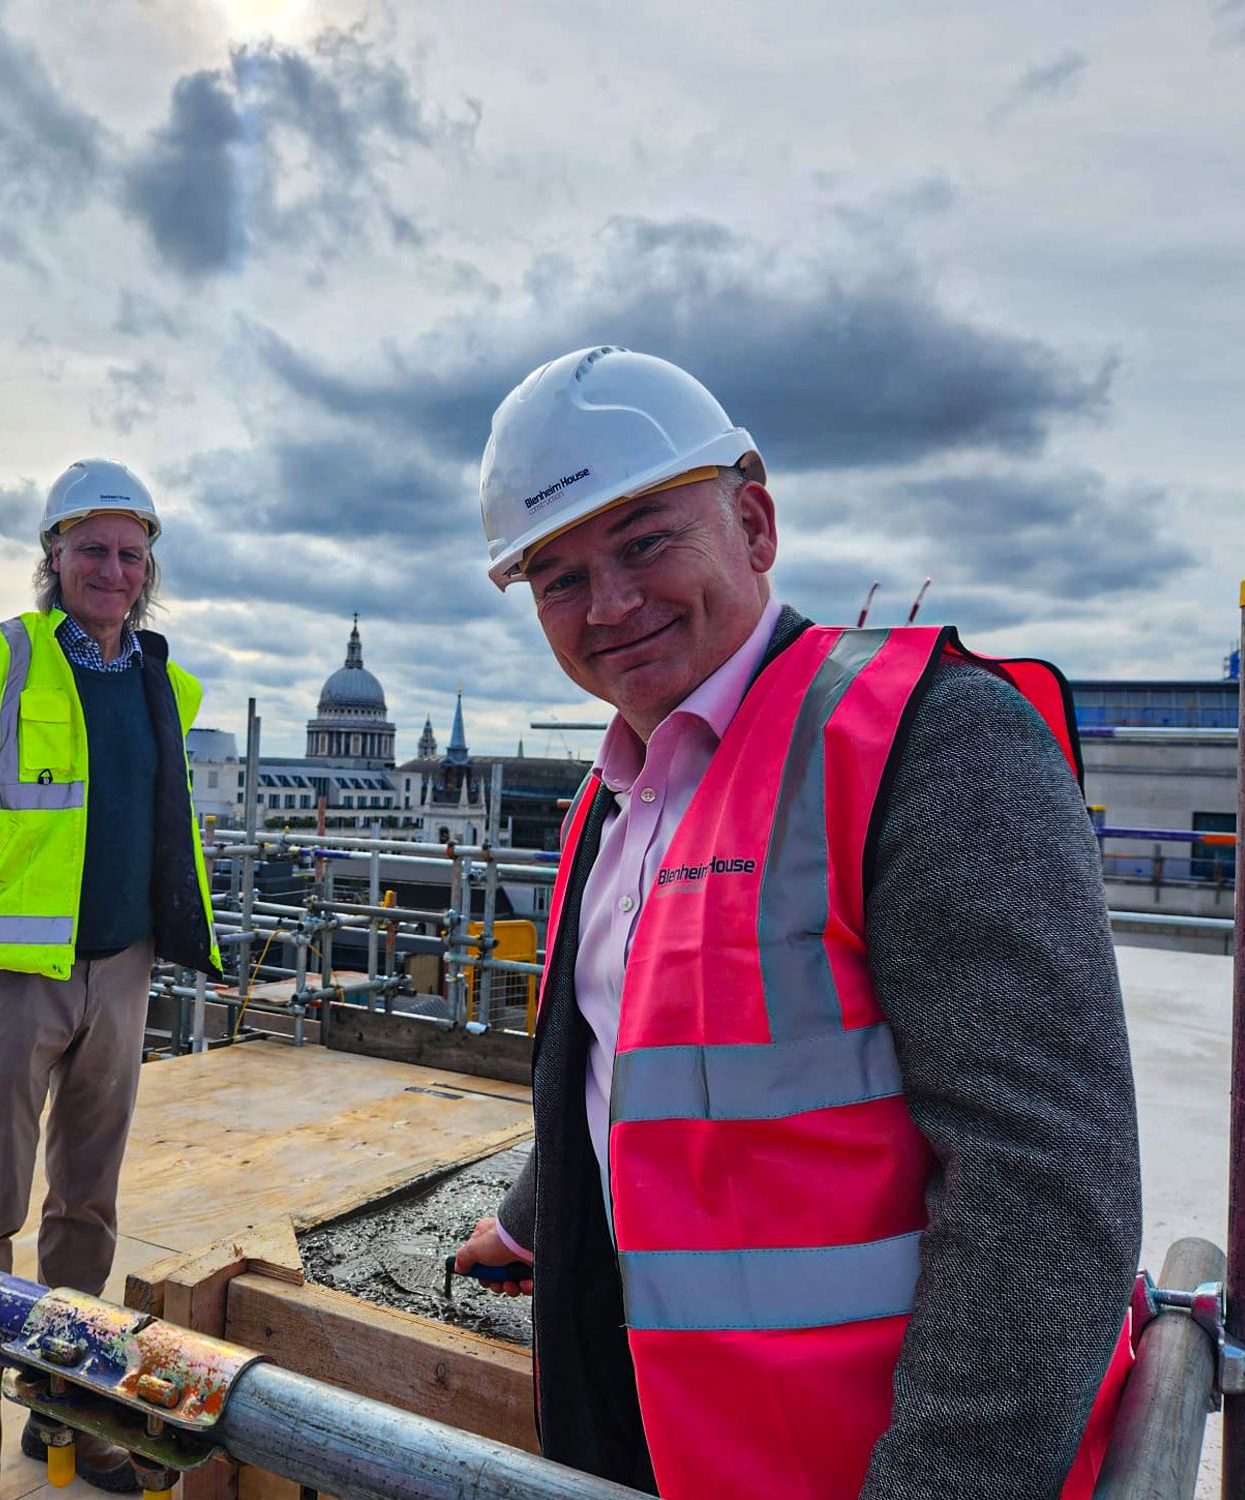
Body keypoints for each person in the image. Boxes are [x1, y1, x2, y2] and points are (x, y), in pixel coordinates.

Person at [453, 347, 1142, 1500]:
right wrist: (536, 1221)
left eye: (644, 542)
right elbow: (643, 1071)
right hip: (654, 1441)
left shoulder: (930, 747)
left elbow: (1047, 1191)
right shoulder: (611, 803)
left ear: (755, 525)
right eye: (558, 578)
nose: (609, 605)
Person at [0, 459, 222, 1499]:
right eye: (93, 550)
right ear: (53, 556)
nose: (113, 571)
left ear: (148, 568)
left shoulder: (163, 684)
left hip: (118, 975)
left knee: (87, 1206)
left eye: (131, 555)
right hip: (9, 978)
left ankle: (66, 1411)